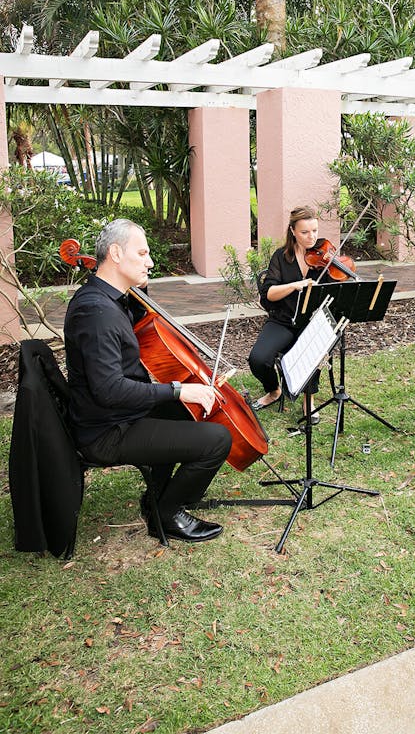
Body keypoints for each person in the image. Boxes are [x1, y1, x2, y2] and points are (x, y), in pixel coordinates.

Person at [64, 218, 232, 543]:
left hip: (118, 416)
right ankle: (167, 513)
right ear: (115, 253)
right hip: (107, 432)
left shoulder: (111, 299)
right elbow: (109, 389)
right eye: (142, 253)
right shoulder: (96, 313)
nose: (150, 262)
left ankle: (155, 499)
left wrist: (139, 287)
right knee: (217, 440)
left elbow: (139, 328)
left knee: (188, 413)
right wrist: (179, 389)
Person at [248, 205, 329, 421]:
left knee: (313, 350)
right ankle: (274, 390)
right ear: (293, 231)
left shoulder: (323, 259)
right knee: (258, 358)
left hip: (310, 324)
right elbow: (268, 294)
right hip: (282, 321)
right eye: (305, 232)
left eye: (315, 231)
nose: (311, 237)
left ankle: (308, 400)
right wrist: (295, 285)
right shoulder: (281, 258)